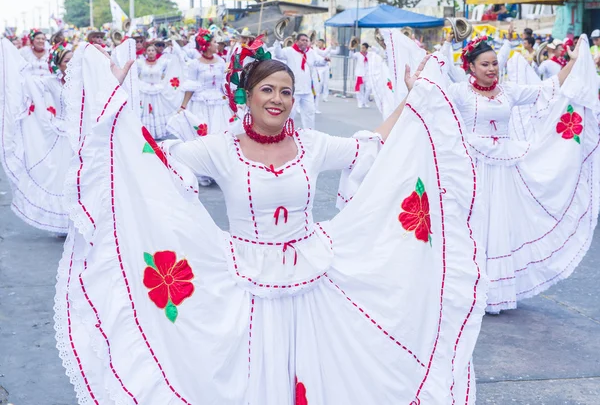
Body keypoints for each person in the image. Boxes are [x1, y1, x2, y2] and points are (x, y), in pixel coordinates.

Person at [55, 41, 486, 404]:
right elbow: (148, 164)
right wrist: (112, 97)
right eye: (268, 90)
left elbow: (375, 145)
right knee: (250, 374)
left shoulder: (312, 145)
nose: (278, 99)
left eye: (286, 91)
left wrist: (414, 99)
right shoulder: (220, 149)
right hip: (246, 278)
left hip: (314, 274)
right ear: (248, 95)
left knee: (322, 370)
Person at [449, 36, 598, 313]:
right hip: (472, 169)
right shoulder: (459, 93)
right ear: (470, 67)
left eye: (494, 63)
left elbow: (550, 88)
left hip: (504, 171)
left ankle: (494, 292)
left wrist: (575, 60)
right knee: (473, 226)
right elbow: (431, 104)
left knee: (499, 227)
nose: (492, 69)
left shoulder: (509, 91)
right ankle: (466, 290)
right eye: (485, 64)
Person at [0, 39, 73, 233]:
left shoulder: (84, 82)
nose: (71, 65)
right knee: (62, 178)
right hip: (62, 133)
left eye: (73, 60)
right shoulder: (51, 82)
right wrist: (13, 62)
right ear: (57, 65)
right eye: (66, 61)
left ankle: (82, 221)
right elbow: (28, 85)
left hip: (81, 135)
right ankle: (63, 223)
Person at [176, 29, 232, 137]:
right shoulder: (195, 64)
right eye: (215, 42)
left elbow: (223, 83)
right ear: (207, 45)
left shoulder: (221, 61)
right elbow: (191, 86)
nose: (217, 45)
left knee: (220, 132)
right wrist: (183, 106)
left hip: (219, 103)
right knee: (203, 132)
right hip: (201, 103)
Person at [274, 33, 326, 129]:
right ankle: (285, 133)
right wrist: (277, 41)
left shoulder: (311, 53)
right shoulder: (289, 51)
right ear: (296, 41)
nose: (305, 42)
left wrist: (325, 60)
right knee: (290, 113)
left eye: (306, 40)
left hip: (307, 90)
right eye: (302, 40)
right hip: (293, 90)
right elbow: (278, 54)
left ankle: (309, 133)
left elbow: (319, 61)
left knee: (309, 113)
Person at [137, 44, 181, 139]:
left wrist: (174, 49)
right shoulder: (140, 63)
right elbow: (133, 75)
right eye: (149, 50)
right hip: (144, 92)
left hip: (158, 92)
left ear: (156, 52)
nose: (151, 52)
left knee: (157, 110)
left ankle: (158, 133)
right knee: (145, 112)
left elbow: (174, 64)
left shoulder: (162, 63)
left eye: (153, 50)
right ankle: (146, 132)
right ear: (146, 52)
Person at [313, 38, 339, 113]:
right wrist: (330, 46)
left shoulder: (326, 50)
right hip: (318, 69)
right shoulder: (315, 49)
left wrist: (337, 46)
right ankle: (313, 106)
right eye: (318, 42)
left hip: (326, 67)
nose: (319, 43)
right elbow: (323, 53)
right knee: (319, 85)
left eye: (321, 42)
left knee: (326, 83)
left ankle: (325, 97)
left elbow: (337, 51)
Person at [351, 42, 379, 108]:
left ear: (366, 48)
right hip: (359, 74)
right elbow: (351, 56)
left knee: (368, 88)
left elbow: (377, 51)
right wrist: (351, 50)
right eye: (361, 48)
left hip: (368, 74)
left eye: (363, 48)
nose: (362, 49)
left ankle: (365, 102)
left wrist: (370, 46)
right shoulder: (358, 54)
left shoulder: (370, 54)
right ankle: (360, 102)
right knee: (359, 89)